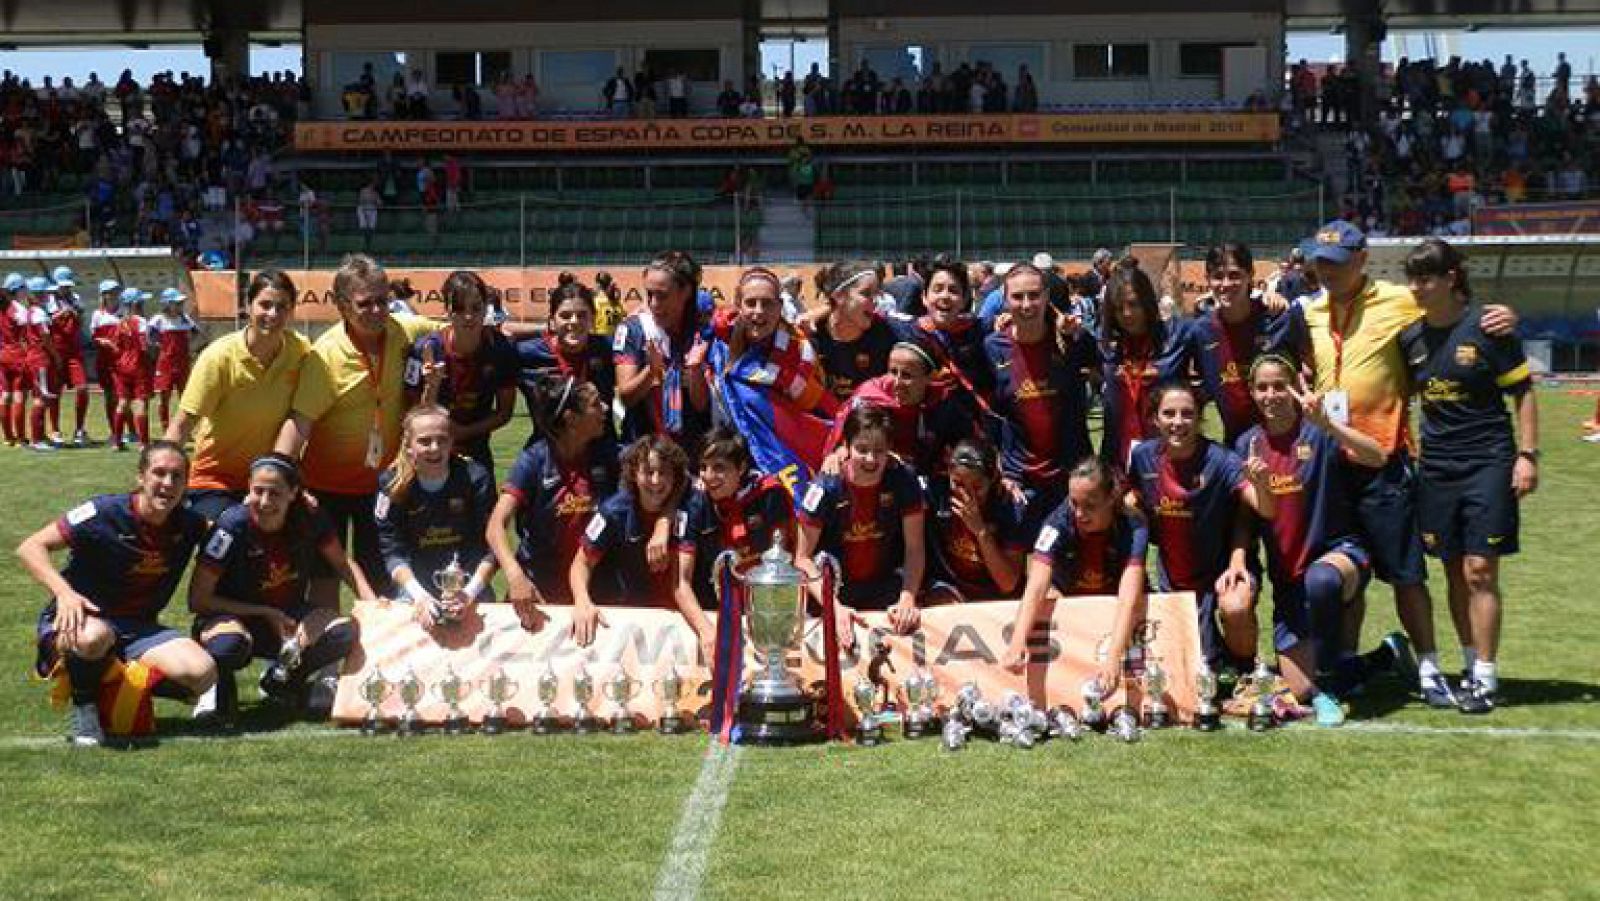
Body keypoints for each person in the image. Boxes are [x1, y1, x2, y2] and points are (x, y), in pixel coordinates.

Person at [1297, 219, 1519, 705]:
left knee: (1407, 575)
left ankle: (1429, 668)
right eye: (1319, 261)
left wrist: (1502, 314)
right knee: (1339, 576)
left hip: (1386, 462)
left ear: (1361, 261)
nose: (1326, 271)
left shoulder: (1401, 299)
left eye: (1335, 263)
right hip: (1331, 466)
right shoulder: (1309, 311)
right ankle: (1349, 664)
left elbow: (1457, 312)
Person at [1400, 239, 1539, 712]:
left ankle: (1485, 675)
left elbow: (1523, 391)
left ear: (1451, 278)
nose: (1417, 288)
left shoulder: (1489, 327)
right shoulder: (1410, 338)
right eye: (1413, 279)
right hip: (1435, 471)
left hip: (1488, 463)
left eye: (1426, 278)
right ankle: (1466, 665)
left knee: (1480, 570)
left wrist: (1528, 455)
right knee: (1454, 573)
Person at [16, 442, 214, 747]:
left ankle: (122, 676)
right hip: (82, 619)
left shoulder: (189, 524)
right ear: (141, 477)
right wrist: (65, 594)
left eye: (177, 476)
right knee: (92, 639)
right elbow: (31, 547)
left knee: (203, 674)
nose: (167, 484)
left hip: (138, 627)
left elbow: (235, 533)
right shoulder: (102, 512)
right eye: (159, 473)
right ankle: (85, 709)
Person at [1231, 355, 1387, 724]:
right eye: (1262, 387)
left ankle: (1329, 688)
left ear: (1294, 388)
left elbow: (1377, 456)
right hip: (1288, 577)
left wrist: (1332, 426)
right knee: (1299, 688)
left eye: (1279, 386)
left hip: (1340, 555)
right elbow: (1249, 516)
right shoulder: (1247, 445)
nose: (1272, 395)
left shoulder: (1318, 430)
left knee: (1322, 581)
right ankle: (1382, 658)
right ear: (1252, 393)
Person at [274, 254, 440, 597]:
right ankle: (328, 649)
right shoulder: (325, 356)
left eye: (384, 301)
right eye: (366, 304)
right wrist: (276, 476)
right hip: (325, 490)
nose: (377, 311)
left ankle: (379, 652)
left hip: (382, 487)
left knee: (383, 584)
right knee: (324, 583)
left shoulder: (405, 331)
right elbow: (300, 424)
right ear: (342, 306)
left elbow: (457, 330)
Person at [189, 454, 372, 725]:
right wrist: (263, 612)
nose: (264, 502)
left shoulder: (310, 517)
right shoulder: (230, 527)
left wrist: (373, 604)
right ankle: (218, 688)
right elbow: (198, 600)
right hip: (236, 617)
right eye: (257, 491)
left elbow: (342, 562)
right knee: (229, 646)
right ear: (248, 487)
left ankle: (284, 679)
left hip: (288, 617)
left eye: (275, 493)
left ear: (293, 492)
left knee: (345, 632)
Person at [1128, 381, 1276, 674]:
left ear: (1199, 418)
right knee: (1195, 668)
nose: (1178, 422)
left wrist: (1262, 485)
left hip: (1222, 571)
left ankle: (1246, 671)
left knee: (1235, 606)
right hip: (1174, 579)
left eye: (1187, 413)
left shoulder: (1222, 460)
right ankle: (1215, 654)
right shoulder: (1143, 457)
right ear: (1154, 419)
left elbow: (1266, 509)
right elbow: (1132, 498)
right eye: (1169, 414)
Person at [166, 269, 312, 523]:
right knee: (232, 535)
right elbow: (182, 423)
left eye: (282, 307)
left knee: (311, 533)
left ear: (292, 310)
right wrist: (159, 475)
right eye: (265, 305)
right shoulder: (218, 357)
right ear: (247, 306)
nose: (273, 314)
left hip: (269, 481)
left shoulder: (302, 352)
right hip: (215, 481)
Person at [999, 457, 1148, 690]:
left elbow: (1129, 597)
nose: (1079, 513)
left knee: (1140, 601)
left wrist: (1113, 658)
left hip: (1113, 599)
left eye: (1090, 505)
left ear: (1111, 499)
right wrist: (1018, 642)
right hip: (1070, 598)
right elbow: (1036, 586)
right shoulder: (1056, 523)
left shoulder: (1134, 525)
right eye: (1074, 503)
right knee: (1048, 597)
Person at [488, 375, 620, 622]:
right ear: (571, 419)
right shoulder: (534, 460)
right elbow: (496, 525)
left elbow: (662, 472)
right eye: (595, 404)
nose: (605, 408)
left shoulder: (609, 455)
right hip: (539, 588)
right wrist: (515, 576)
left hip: (595, 588)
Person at [795, 405, 927, 648]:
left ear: (890, 451)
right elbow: (802, 559)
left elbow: (915, 548)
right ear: (846, 447)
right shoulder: (825, 488)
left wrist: (908, 597)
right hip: (833, 597)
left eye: (879, 451)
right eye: (862, 449)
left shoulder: (904, 481)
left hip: (885, 592)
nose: (871, 459)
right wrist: (834, 608)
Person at [983, 263, 1097, 524]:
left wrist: (1077, 332)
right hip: (1019, 481)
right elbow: (992, 415)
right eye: (1018, 296)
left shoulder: (1071, 341)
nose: (1027, 305)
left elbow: (1105, 363)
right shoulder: (993, 347)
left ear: (1046, 296)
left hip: (1071, 479)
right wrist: (1002, 471)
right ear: (1004, 299)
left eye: (1034, 295)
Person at [672, 427, 794, 662]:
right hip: (715, 611)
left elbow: (788, 565)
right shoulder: (695, 505)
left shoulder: (771, 495)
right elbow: (680, 583)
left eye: (719, 468)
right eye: (704, 467)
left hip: (768, 612)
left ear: (741, 468)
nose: (708, 476)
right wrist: (705, 629)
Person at [375, 405, 498, 630]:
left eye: (442, 440)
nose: (435, 448)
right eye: (424, 441)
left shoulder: (476, 477)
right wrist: (418, 596)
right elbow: (392, 551)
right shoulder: (390, 485)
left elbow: (492, 547)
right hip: (415, 583)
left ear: (452, 442)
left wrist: (469, 594)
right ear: (408, 446)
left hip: (469, 581)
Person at [706, 268, 833, 481]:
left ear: (780, 307)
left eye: (767, 303)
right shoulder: (716, 347)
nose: (759, 311)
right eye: (751, 303)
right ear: (738, 305)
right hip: (729, 466)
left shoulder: (799, 354)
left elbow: (818, 407)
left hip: (782, 461)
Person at [571, 435, 691, 644]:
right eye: (648, 472)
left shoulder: (690, 504)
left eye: (663, 473)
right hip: (626, 616)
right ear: (634, 473)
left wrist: (664, 522)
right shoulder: (612, 512)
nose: (655, 481)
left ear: (674, 477)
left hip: (677, 620)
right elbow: (581, 562)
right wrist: (582, 600)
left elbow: (691, 478)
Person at [1188, 243, 1309, 445]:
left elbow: (1306, 369)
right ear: (1207, 280)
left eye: (1235, 275)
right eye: (1218, 276)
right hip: (1236, 445)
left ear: (1250, 275)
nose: (1226, 284)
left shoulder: (1278, 319)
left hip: (1290, 441)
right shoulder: (1200, 333)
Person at [402, 270, 518, 470]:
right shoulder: (423, 351)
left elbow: (504, 412)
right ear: (446, 311)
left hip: (476, 449)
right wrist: (431, 387)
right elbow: (411, 416)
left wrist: (465, 432)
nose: (468, 316)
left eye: (476, 308)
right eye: (458, 308)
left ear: (485, 309)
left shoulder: (501, 349)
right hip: (430, 450)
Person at [824, 341, 982, 479]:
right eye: (893, 372)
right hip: (878, 475)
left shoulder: (943, 403)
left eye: (906, 375)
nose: (897, 382)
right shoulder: (869, 399)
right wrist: (838, 453)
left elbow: (970, 442)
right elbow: (845, 441)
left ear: (928, 378)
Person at [1099, 258, 1193, 471]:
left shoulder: (1178, 335)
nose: (1127, 314)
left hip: (1170, 459)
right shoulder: (1105, 347)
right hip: (1118, 463)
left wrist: (1272, 303)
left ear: (1147, 301)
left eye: (1133, 304)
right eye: (1118, 308)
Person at [613, 251, 711, 448]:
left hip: (692, 452)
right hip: (643, 453)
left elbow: (701, 405)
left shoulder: (703, 332)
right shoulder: (634, 329)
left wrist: (694, 370)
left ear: (686, 292)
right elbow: (626, 398)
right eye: (649, 294)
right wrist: (651, 371)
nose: (654, 304)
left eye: (663, 296)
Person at [924, 436, 1028, 603]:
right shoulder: (936, 493)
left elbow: (1008, 584)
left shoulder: (1010, 507)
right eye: (958, 483)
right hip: (951, 587)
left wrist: (980, 531)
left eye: (977, 487)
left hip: (996, 595)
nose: (967, 494)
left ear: (993, 479)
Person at [515, 277, 615, 440]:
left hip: (600, 451)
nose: (574, 322)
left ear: (593, 318)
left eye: (582, 315)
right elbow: (497, 335)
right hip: (548, 452)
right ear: (552, 321)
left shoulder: (608, 348)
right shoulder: (526, 354)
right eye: (565, 316)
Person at [888, 260, 995, 397]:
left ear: (964, 299)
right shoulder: (907, 331)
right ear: (924, 297)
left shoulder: (981, 330)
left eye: (953, 290)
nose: (945, 296)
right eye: (937, 289)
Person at [806, 261, 897, 403]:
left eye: (877, 293)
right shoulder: (811, 337)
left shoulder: (887, 334)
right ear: (839, 296)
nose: (876, 301)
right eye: (866, 293)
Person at [45, 269, 90, 446]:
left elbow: (81, 321)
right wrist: (59, 315)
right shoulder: (48, 300)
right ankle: (55, 430)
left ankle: (80, 430)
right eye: (63, 286)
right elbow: (44, 324)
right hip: (56, 352)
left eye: (68, 286)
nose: (66, 289)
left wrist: (76, 314)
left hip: (74, 352)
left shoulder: (76, 299)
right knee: (55, 393)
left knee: (83, 388)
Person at [108, 287, 152, 451]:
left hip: (122, 366)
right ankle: (144, 443)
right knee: (140, 402)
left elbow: (116, 346)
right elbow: (144, 346)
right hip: (138, 365)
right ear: (136, 304)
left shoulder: (121, 322)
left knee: (122, 402)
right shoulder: (141, 321)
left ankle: (116, 441)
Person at [148, 287, 199, 432]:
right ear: (167, 304)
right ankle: (166, 428)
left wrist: (190, 348)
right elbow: (149, 336)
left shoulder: (185, 319)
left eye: (181, 303)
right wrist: (159, 346)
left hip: (183, 363)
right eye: (176, 303)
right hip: (165, 364)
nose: (180, 306)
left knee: (186, 398)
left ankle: (184, 429)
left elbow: (196, 333)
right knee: (164, 396)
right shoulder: (158, 319)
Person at [90, 279, 122, 440]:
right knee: (111, 396)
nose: (114, 295)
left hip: (123, 360)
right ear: (104, 295)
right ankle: (114, 431)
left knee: (125, 396)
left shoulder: (125, 312)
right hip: (105, 361)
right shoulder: (98, 315)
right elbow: (93, 338)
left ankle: (129, 431)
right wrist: (103, 341)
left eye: (116, 292)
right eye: (110, 292)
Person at [1, 272, 30, 447]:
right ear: (17, 290)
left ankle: (7, 437)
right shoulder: (19, 310)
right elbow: (28, 335)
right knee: (19, 396)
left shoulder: (2, 307)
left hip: (2, 355)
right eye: (24, 288)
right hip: (18, 356)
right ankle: (20, 438)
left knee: (5, 396)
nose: (26, 291)